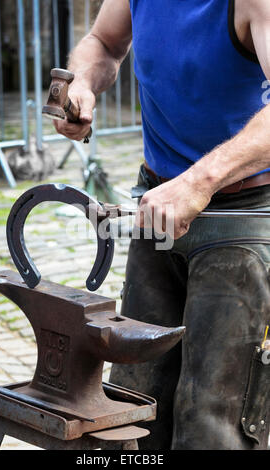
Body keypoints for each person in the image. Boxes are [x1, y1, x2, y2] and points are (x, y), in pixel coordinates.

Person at [54, 0, 270, 450]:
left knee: (213, 422)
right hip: (157, 203)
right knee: (134, 404)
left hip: (241, 212)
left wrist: (199, 181)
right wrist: (83, 85)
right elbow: (104, 42)